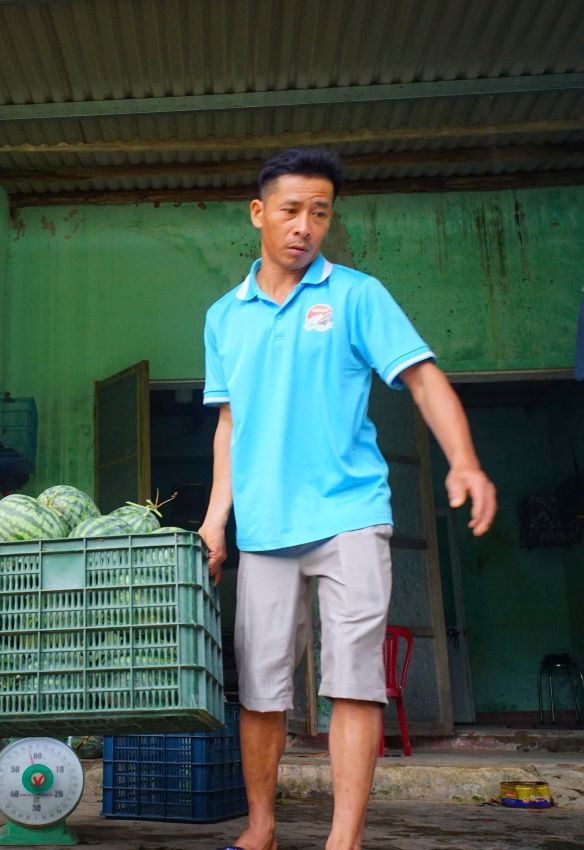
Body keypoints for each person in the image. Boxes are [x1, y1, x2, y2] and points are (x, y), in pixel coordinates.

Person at [198, 148, 496, 850]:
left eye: (321, 213)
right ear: (259, 213)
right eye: (292, 210)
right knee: (262, 690)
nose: (305, 226)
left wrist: (466, 462)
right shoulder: (224, 317)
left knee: (354, 682)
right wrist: (217, 519)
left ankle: (344, 838)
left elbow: (422, 379)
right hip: (265, 528)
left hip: (351, 517)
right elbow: (229, 424)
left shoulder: (358, 296)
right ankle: (263, 825)